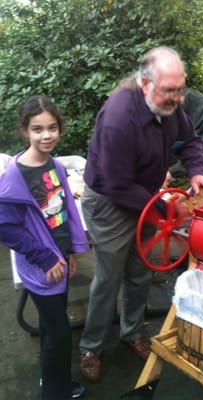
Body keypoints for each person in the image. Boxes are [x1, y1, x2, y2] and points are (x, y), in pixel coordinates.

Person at [79, 46, 203, 382]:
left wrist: (198, 170)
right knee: (108, 279)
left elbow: (191, 139)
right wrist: (165, 209)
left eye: (180, 89)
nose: (176, 98)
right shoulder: (118, 118)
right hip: (110, 202)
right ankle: (91, 346)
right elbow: (117, 184)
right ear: (144, 83)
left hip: (144, 199)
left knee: (140, 272)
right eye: (169, 90)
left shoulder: (170, 108)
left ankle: (132, 333)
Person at [0, 95, 89, 400]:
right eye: (38, 129)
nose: (46, 135)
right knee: (59, 335)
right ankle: (55, 392)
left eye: (52, 128)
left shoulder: (55, 166)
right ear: (25, 131)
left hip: (60, 261)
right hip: (42, 267)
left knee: (54, 331)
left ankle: (55, 384)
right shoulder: (15, 176)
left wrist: (71, 252)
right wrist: (45, 257)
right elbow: (5, 226)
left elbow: (63, 216)